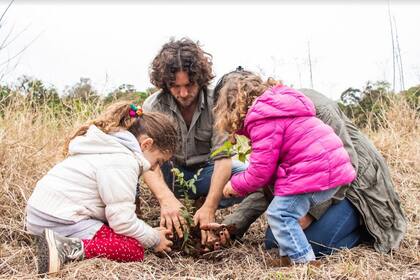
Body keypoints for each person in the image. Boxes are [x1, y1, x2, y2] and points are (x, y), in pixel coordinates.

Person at [216, 68, 407, 258]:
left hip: (353, 185)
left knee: (311, 243)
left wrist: (311, 214)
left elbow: (348, 162)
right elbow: (265, 179)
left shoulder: (309, 107)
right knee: (275, 241)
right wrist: (234, 224)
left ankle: (365, 229)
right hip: (316, 181)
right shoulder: (268, 117)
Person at [25, 101, 177, 274]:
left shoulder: (106, 146)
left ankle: (53, 240)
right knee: (133, 249)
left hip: (39, 217)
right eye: (158, 161)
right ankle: (65, 248)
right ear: (146, 144)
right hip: (60, 220)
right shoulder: (122, 161)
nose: (154, 168)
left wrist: (146, 231)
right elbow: (122, 222)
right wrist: (155, 239)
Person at [142, 38, 247, 245]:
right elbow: (146, 162)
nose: (183, 93)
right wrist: (166, 199)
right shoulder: (153, 105)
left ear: (200, 79)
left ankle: (203, 203)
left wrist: (210, 206)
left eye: (189, 85)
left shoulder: (217, 102)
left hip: (206, 172)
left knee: (249, 177)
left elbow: (222, 159)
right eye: (175, 86)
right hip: (170, 174)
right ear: (165, 84)